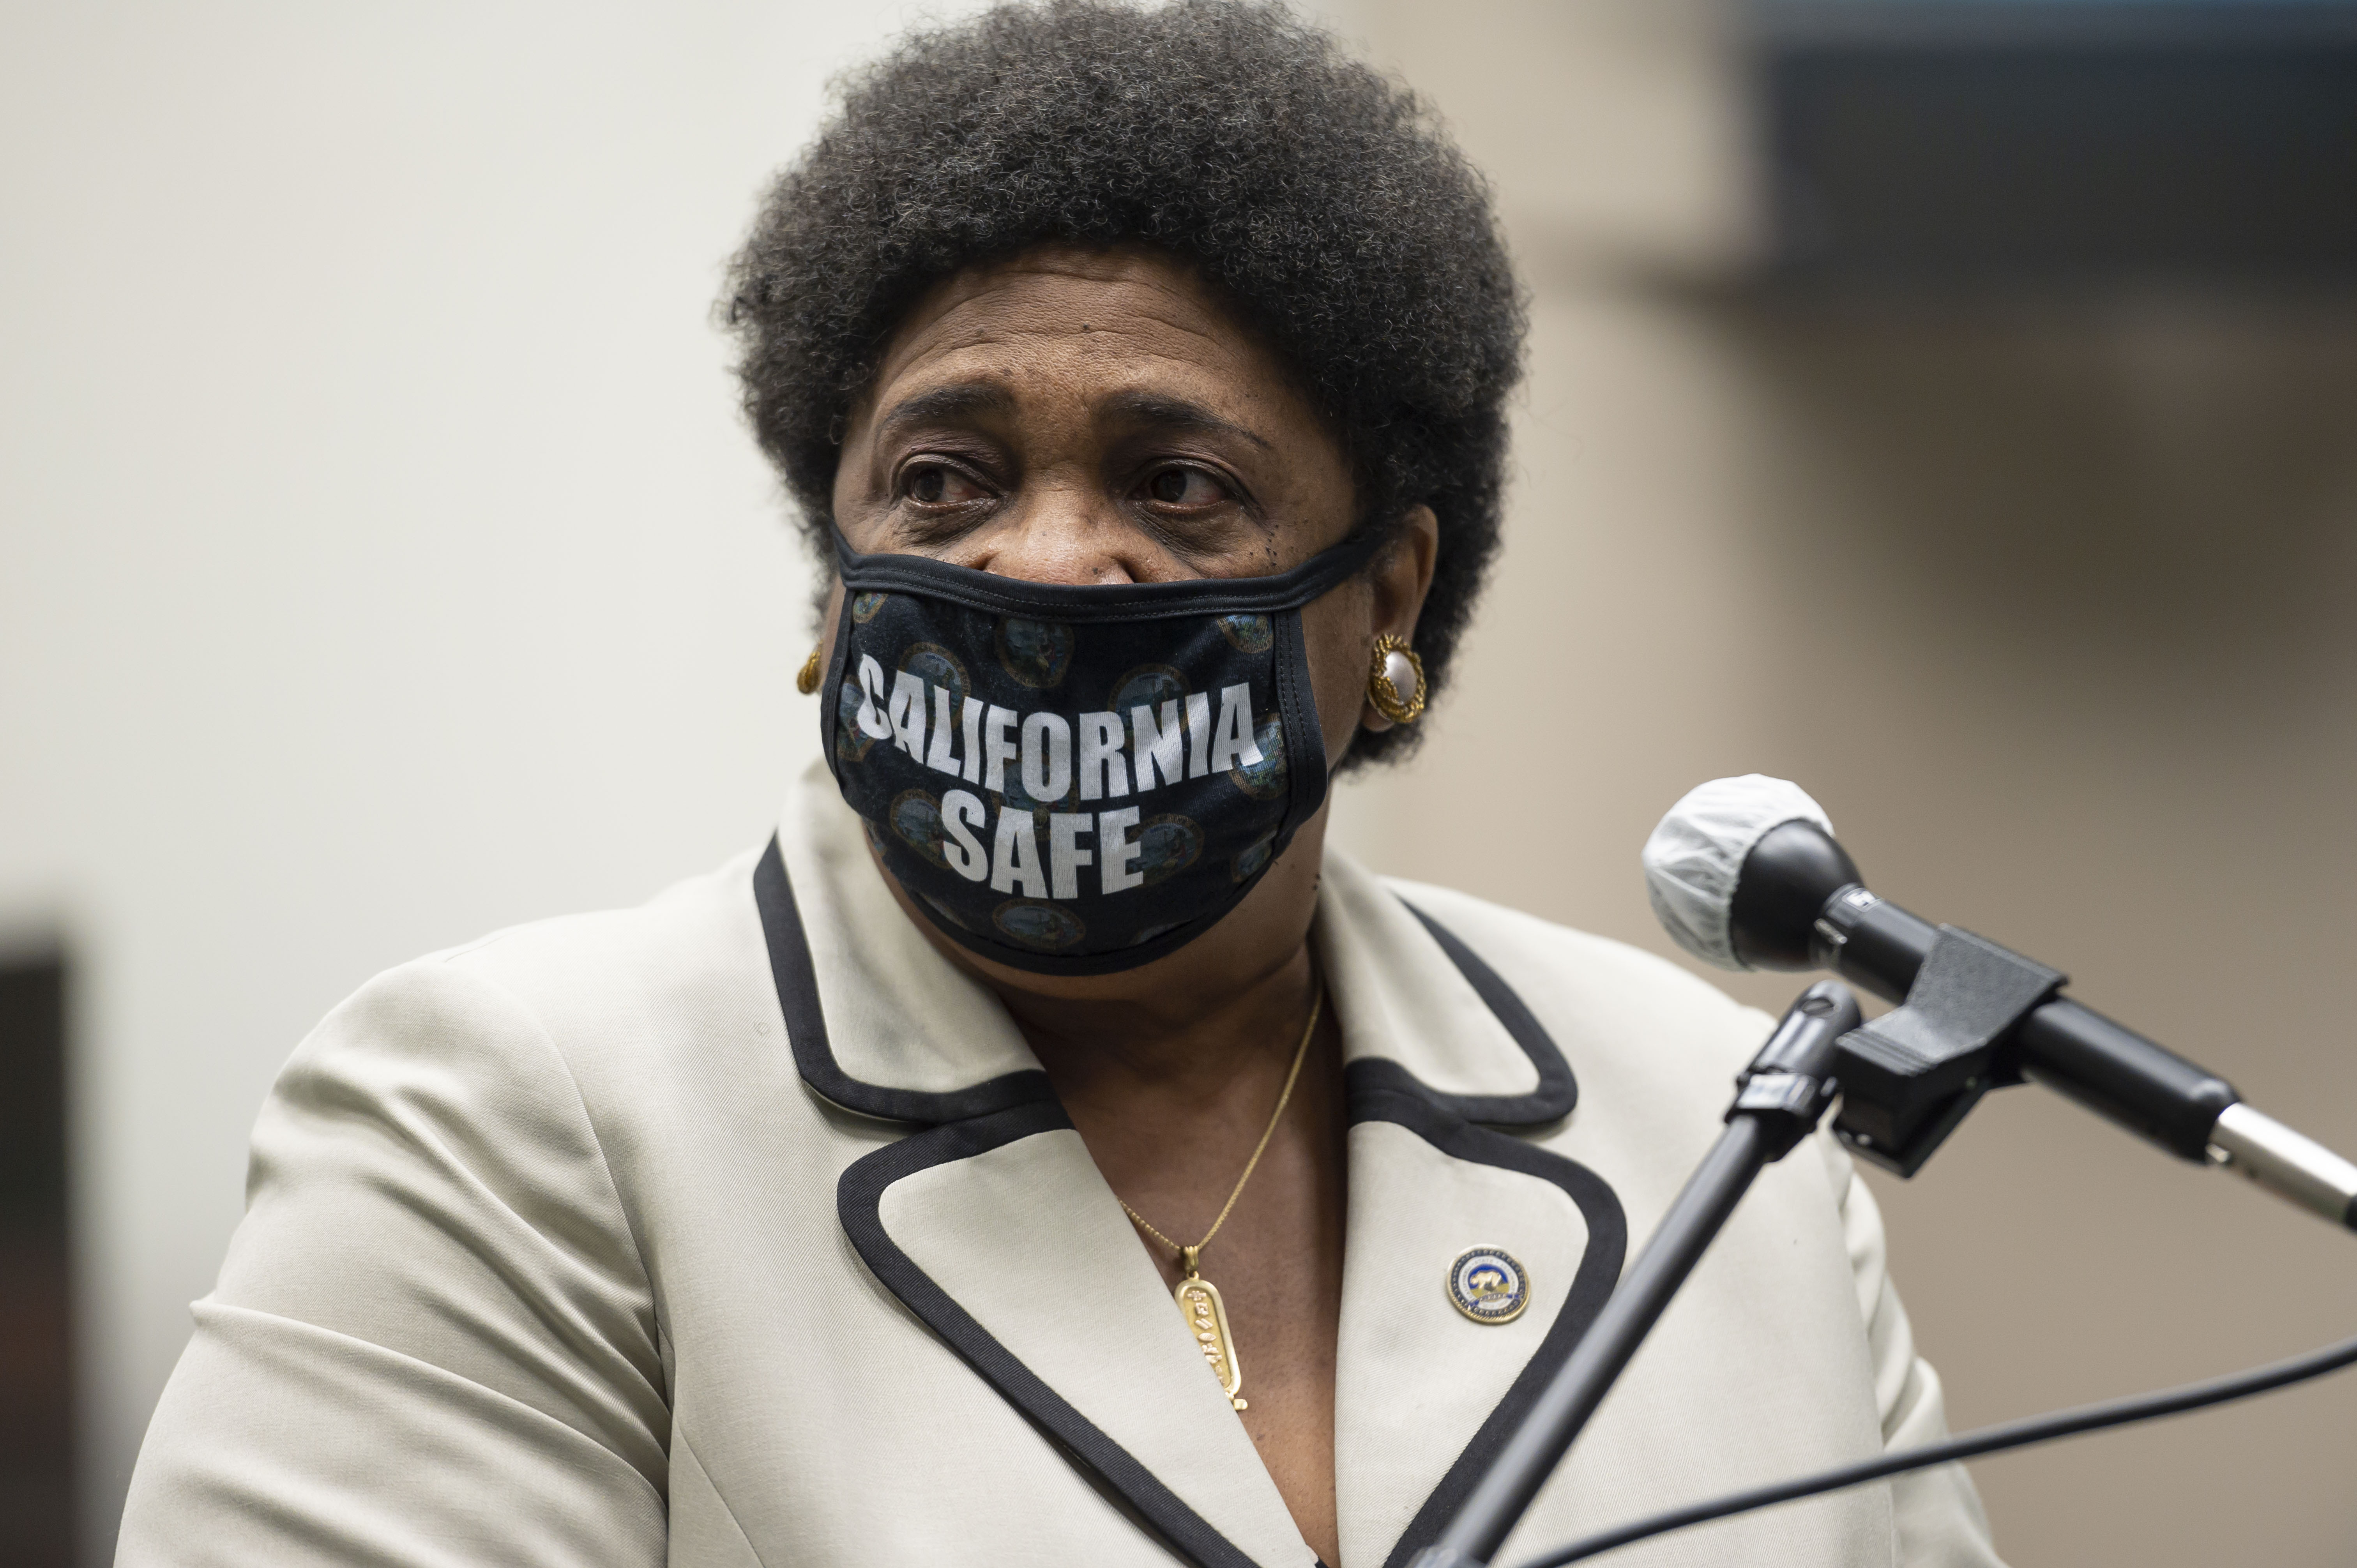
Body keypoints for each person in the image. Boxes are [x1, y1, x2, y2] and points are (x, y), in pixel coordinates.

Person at [117, 3, 2003, 1564]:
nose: (1042, 560)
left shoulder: (1712, 1129)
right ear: (834, 580)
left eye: (1178, 484)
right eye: (946, 479)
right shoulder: (507, 1119)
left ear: (1390, 599)